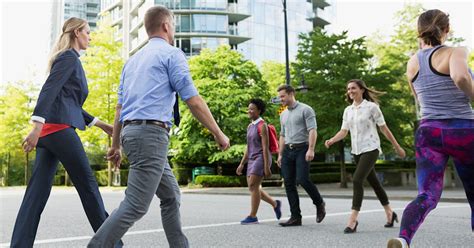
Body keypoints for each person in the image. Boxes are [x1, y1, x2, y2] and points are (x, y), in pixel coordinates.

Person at [87, 6, 230, 248]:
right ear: (166, 25)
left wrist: (116, 145)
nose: (173, 29)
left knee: (171, 196)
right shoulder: (171, 54)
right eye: (173, 25)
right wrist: (218, 132)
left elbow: (120, 109)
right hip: (150, 136)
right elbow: (193, 99)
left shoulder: (131, 62)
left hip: (133, 135)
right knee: (136, 205)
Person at [12, 17, 121, 247]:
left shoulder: (67, 59)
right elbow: (49, 90)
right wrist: (36, 126)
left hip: (50, 134)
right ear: (77, 33)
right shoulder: (69, 58)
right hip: (59, 131)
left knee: (36, 195)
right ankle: (112, 244)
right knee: (88, 187)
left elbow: (68, 104)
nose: (90, 37)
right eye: (88, 32)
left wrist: (102, 125)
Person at [387, 9, 474, 248]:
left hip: (428, 132)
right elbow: (460, 78)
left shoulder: (412, 61)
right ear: (446, 30)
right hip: (463, 130)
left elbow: (417, 97)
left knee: (427, 195)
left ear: (420, 31)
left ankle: (403, 239)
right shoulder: (456, 51)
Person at [325, 79, 406, 234]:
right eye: (348, 89)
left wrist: (397, 147)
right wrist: (332, 140)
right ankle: (390, 212)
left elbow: (384, 128)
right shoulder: (347, 110)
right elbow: (344, 131)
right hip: (357, 151)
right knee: (374, 183)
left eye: (353, 88)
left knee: (357, 180)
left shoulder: (372, 107)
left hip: (371, 148)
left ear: (362, 89)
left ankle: (353, 220)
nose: (350, 91)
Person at [276, 85, 326, 227]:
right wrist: (280, 154)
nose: (281, 99)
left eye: (283, 96)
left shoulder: (306, 109)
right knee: (289, 183)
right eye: (279, 97)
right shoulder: (283, 113)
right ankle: (295, 217)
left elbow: (312, 130)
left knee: (303, 179)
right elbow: (282, 135)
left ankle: (319, 203)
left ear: (291, 94)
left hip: (302, 148)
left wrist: (311, 149)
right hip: (287, 151)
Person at [236, 99, 282, 224]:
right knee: (253, 188)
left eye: (252, 109)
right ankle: (275, 203)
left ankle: (253, 216)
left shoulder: (263, 126)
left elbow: (265, 147)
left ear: (259, 111)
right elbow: (248, 147)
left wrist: (267, 166)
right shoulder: (250, 126)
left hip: (261, 158)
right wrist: (242, 163)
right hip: (251, 159)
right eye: (248, 108)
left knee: (253, 186)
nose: (249, 111)